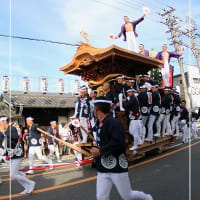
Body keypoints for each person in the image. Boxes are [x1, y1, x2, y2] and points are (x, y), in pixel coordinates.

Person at [90, 96, 153, 200]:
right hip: (103, 167)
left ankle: (146, 197)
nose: (93, 110)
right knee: (101, 197)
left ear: (97, 109)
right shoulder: (99, 123)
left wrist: (100, 151)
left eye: (94, 108)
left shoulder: (114, 123)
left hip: (117, 167)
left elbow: (118, 143)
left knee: (127, 195)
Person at [0, 116, 35, 194]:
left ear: (4, 122)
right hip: (10, 155)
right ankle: (27, 187)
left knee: (13, 175)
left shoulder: (11, 128)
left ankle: (30, 183)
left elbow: (15, 137)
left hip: (17, 155)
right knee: (16, 174)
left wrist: (3, 132)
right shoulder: (4, 131)